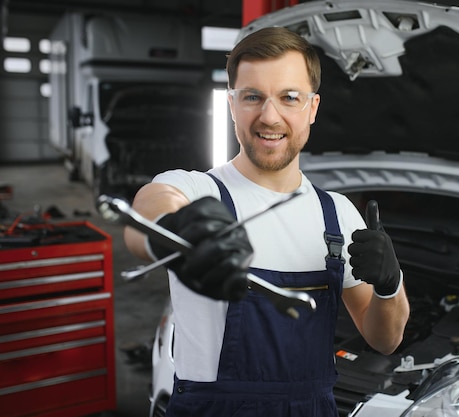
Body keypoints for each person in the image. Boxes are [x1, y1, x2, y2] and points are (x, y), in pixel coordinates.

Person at [124, 26, 410, 417]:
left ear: (312, 107)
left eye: (289, 98)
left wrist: (389, 287)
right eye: (252, 97)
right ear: (232, 105)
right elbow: (149, 209)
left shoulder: (338, 214)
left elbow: (386, 339)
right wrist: (174, 230)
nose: (269, 116)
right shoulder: (197, 190)